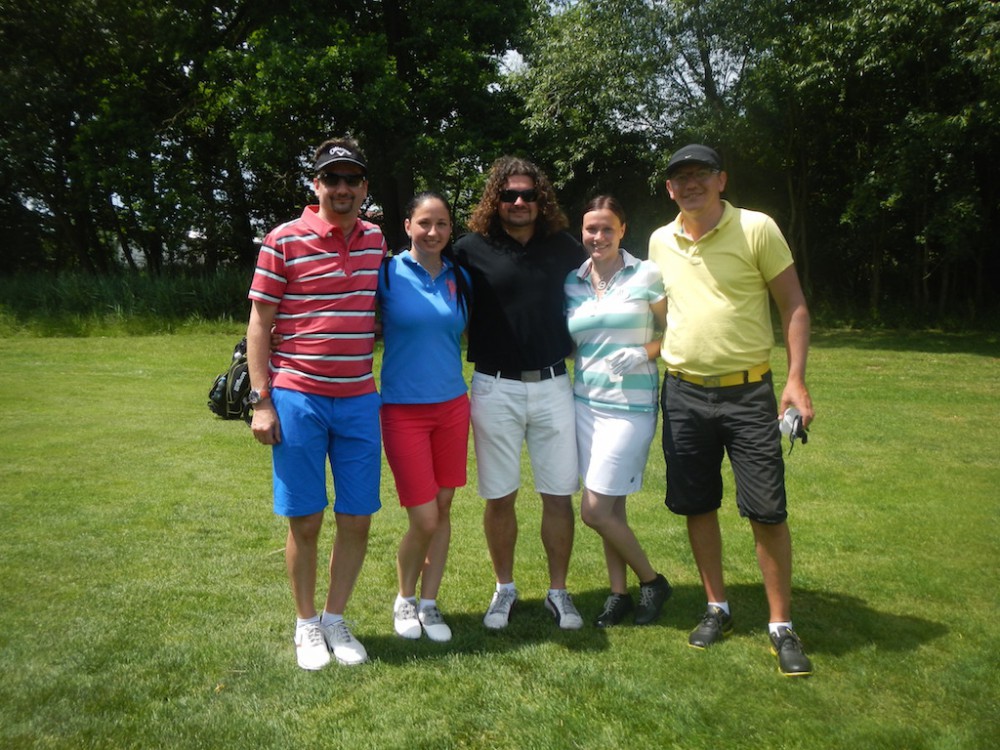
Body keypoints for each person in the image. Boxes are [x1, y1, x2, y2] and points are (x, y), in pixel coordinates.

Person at [648, 144, 815, 677]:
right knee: (697, 504)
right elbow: (662, 315)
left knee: (767, 509)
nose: (690, 184)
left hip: (748, 393)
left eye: (700, 174)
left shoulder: (757, 228)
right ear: (669, 189)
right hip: (683, 392)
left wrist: (795, 380)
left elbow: (793, 305)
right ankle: (716, 606)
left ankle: (781, 624)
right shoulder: (660, 241)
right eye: (680, 178)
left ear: (721, 180)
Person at [246, 137, 386, 670]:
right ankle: (306, 624)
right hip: (298, 396)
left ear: (364, 187)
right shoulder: (282, 240)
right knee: (304, 520)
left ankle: (334, 618)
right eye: (332, 178)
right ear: (316, 184)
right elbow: (259, 323)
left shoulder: (376, 240)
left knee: (357, 518)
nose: (342, 188)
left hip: (358, 399)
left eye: (351, 179)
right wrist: (262, 401)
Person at [455, 156, 586, 630]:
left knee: (559, 494)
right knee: (499, 496)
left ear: (540, 199)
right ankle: (504, 588)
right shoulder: (469, 249)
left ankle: (559, 592)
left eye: (527, 195)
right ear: (496, 199)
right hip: (495, 387)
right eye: (509, 194)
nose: (518, 202)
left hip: (554, 386)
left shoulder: (565, 248)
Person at [564, 195, 674, 627]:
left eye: (607, 228)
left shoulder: (646, 274)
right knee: (612, 510)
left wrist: (645, 351)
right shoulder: (572, 281)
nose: (598, 236)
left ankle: (652, 581)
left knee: (594, 510)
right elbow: (573, 342)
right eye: (591, 229)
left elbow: (676, 331)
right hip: (585, 405)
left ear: (623, 230)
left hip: (631, 407)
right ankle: (618, 593)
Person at [378, 192, 472, 643]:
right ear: (408, 226)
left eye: (442, 224)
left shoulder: (460, 276)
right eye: (424, 223)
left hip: (452, 406)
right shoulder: (386, 274)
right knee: (425, 517)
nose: (433, 232)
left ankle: (430, 603)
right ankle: (404, 598)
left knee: (444, 506)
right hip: (403, 411)